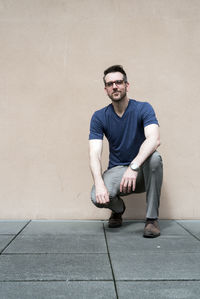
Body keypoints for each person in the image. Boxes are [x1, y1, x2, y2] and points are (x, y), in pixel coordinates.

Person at [89, 65, 163, 238]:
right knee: (95, 196)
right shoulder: (99, 116)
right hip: (118, 171)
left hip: (142, 170)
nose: (115, 86)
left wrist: (134, 166)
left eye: (119, 82)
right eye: (110, 84)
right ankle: (118, 210)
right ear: (106, 89)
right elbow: (94, 153)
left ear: (126, 85)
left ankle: (152, 220)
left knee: (155, 159)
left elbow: (154, 139)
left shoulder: (143, 108)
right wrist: (99, 183)